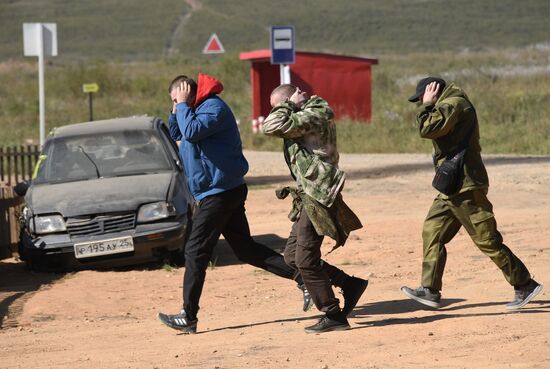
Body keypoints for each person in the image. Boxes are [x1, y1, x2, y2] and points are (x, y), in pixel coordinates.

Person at [157, 74, 313, 334]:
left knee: (195, 251)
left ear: (189, 93)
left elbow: (192, 133)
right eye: (173, 101)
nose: (177, 104)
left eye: (178, 98)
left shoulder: (213, 108)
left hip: (219, 193)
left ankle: (189, 315)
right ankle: (306, 279)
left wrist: (183, 105)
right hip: (219, 191)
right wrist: (177, 108)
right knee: (245, 250)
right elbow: (177, 132)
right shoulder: (192, 110)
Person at [401, 76, 543, 310]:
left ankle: (524, 284)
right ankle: (430, 289)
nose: (421, 103)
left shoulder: (453, 104)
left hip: (466, 184)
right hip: (452, 186)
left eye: (421, 98)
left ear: (433, 91)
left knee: (487, 239)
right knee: (432, 231)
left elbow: (428, 129)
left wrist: (428, 105)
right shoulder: (449, 104)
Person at [262, 84, 368, 333]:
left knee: (305, 259)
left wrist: (286, 106)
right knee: (291, 257)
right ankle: (348, 284)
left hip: (318, 193)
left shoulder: (315, 113)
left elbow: (270, 126)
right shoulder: (303, 115)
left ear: (291, 100)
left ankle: (333, 314)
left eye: (278, 106)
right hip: (309, 194)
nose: (277, 112)